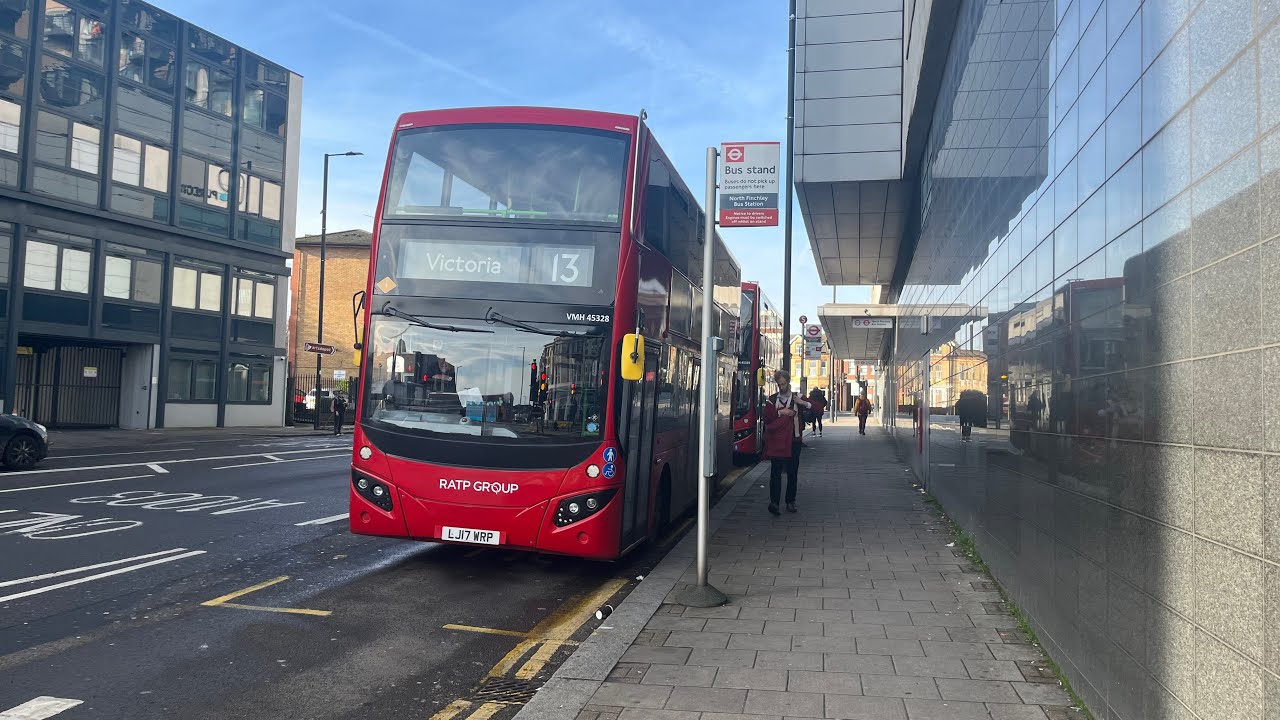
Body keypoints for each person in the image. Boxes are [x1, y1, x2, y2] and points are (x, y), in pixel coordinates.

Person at [762, 370, 811, 515]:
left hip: (794, 440)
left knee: (792, 472)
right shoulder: (772, 399)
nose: (781, 387)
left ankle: (790, 501)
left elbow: (816, 407)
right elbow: (767, 418)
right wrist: (780, 412)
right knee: (775, 472)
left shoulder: (797, 397)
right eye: (779, 385)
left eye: (783, 384)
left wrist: (803, 403)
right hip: (777, 441)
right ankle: (774, 503)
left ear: (788, 382)